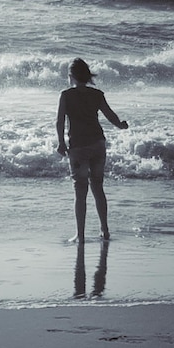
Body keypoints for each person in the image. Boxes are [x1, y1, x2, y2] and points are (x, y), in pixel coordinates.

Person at [56, 58, 128, 243]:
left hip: (78, 147)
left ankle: (80, 235)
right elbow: (109, 114)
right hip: (97, 144)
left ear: (70, 76)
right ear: (88, 76)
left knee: (80, 191)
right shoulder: (97, 94)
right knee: (98, 187)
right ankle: (105, 230)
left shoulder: (66, 95)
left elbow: (60, 121)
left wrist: (61, 143)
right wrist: (120, 125)